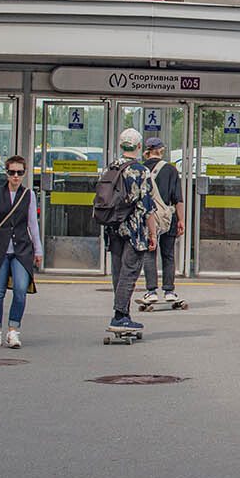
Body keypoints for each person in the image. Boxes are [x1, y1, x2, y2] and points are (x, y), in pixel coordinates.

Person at [0, 155, 42, 348]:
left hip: (21, 249)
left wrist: (38, 250)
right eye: (12, 172)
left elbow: (32, 225)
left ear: (25, 174)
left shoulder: (29, 195)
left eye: (19, 173)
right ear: (6, 173)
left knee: (20, 290)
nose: (15, 176)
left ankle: (13, 331)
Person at [107, 127, 159, 335]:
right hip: (134, 230)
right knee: (130, 273)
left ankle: (125, 315)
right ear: (139, 147)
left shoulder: (111, 168)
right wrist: (153, 234)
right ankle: (119, 316)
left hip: (113, 227)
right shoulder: (140, 171)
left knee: (119, 274)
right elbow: (147, 208)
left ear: (121, 146)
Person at [139, 137, 185, 307]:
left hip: (148, 217)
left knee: (149, 254)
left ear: (147, 151)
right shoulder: (171, 170)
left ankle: (151, 292)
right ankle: (169, 291)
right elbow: (178, 198)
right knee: (168, 254)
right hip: (168, 217)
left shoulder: (141, 169)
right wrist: (181, 220)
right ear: (161, 150)